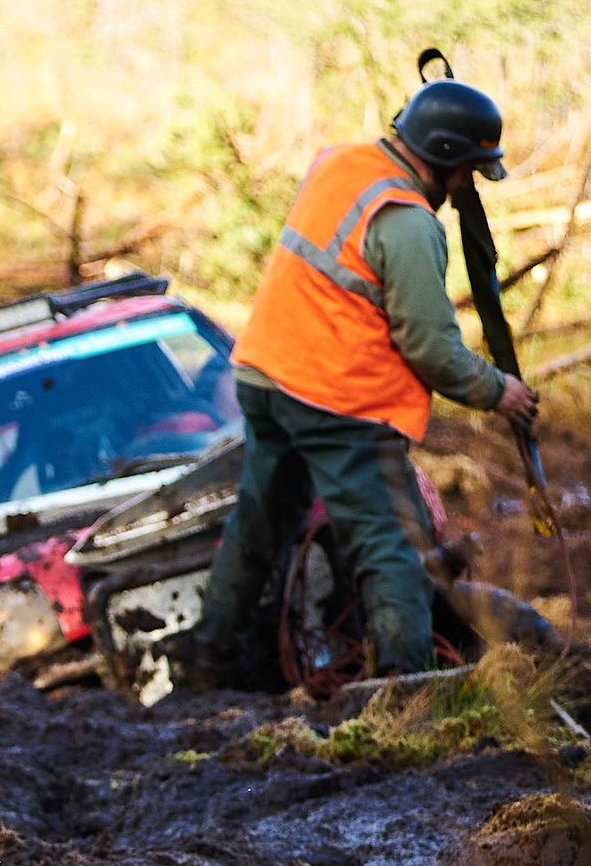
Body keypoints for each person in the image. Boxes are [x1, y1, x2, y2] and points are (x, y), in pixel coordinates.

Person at [183, 75, 541, 688]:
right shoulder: (406, 223)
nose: (468, 187)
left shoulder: (340, 163)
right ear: (447, 158)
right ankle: (406, 693)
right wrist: (498, 391)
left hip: (267, 379)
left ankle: (206, 669)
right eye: (471, 172)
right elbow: (431, 347)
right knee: (392, 547)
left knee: (259, 526)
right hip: (336, 403)